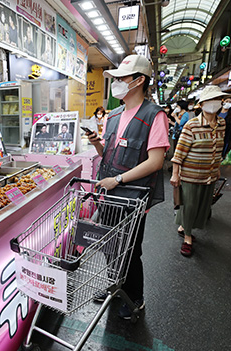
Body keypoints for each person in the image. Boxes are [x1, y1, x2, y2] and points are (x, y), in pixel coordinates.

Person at [87, 54, 169, 319]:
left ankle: (135, 298)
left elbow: (156, 161)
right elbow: (106, 153)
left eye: (122, 78)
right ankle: (115, 286)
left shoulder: (154, 115)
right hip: (109, 193)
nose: (117, 83)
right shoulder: (113, 114)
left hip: (132, 196)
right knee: (111, 244)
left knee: (130, 249)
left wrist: (119, 180)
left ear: (139, 80)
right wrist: (95, 143)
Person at [170, 85, 226, 257]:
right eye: (210, 100)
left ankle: (183, 226)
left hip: (209, 174)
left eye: (217, 100)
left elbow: (219, 149)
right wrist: (175, 173)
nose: (214, 103)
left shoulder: (221, 124)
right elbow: (179, 153)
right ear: (201, 104)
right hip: (190, 175)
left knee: (203, 205)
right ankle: (187, 238)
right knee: (190, 205)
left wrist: (217, 169)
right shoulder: (191, 125)